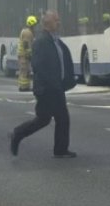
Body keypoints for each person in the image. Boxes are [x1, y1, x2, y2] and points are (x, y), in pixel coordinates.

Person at [9, 10, 77, 158]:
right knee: (51, 119)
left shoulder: (55, 40)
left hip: (56, 87)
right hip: (47, 89)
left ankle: (60, 149)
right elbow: (38, 65)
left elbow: (61, 60)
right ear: (48, 23)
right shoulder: (41, 41)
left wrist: (67, 80)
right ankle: (18, 134)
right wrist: (51, 84)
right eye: (56, 20)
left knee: (50, 119)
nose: (59, 22)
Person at [18, 15, 37, 92]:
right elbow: (26, 44)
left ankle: (24, 86)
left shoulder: (26, 31)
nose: (35, 27)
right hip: (24, 55)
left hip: (23, 54)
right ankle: (24, 87)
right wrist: (29, 54)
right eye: (34, 25)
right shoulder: (28, 33)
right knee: (25, 71)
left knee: (24, 71)